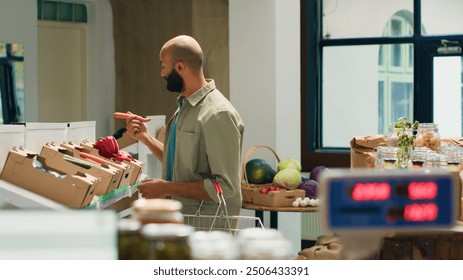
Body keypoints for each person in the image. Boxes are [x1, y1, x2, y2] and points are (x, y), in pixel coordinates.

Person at [125, 35, 245, 219]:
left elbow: (226, 187)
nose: (162, 73)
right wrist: (145, 138)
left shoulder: (217, 114)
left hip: (208, 231)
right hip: (187, 221)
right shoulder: (185, 108)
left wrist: (166, 187)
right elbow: (180, 164)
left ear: (180, 67)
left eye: (164, 66)